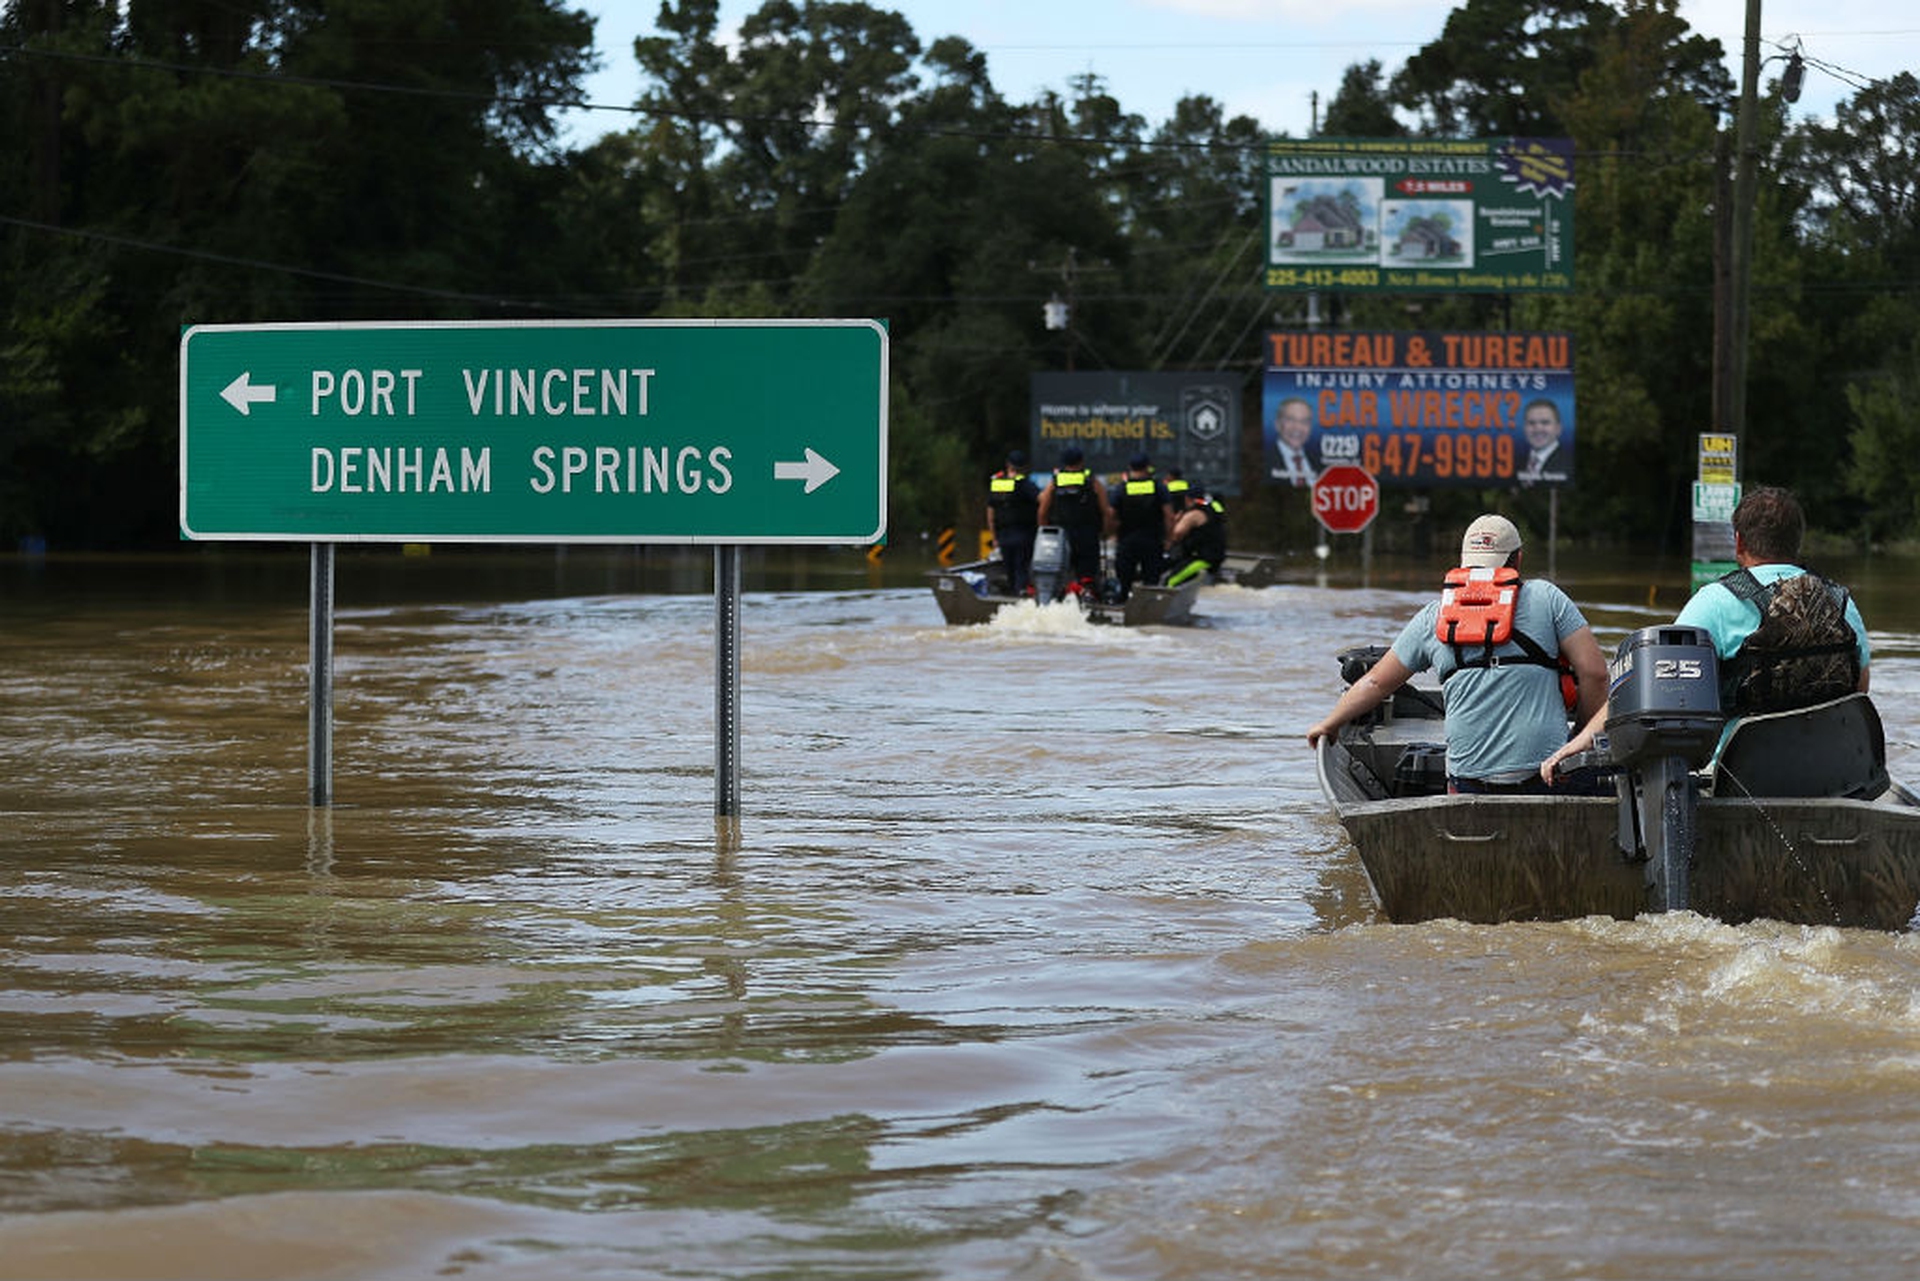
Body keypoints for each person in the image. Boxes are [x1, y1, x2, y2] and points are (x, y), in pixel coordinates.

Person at [1541, 485, 1870, 782]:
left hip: (1742, 778)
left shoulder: (1716, 603)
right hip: (1836, 774)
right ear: (1798, 542)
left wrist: (1579, 742)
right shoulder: (1841, 602)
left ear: (1738, 542)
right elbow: (1859, 691)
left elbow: (1652, 688)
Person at [1307, 514, 1609, 793]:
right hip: (1549, 776)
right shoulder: (1547, 598)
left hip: (1468, 783)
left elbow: (1375, 683)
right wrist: (1581, 739)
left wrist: (1330, 723)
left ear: (1464, 562)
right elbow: (1596, 675)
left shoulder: (1434, 615)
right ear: (1518, 559)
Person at [1036, 445, 1113, 592]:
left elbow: (1042, 511)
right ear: (1081, 461)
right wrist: (1105, 531)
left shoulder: (1055, 481)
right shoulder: (1091, 481)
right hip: (1087, 533)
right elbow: (1106, 510)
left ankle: (1065, 593)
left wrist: (1044, 533)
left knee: (1062, 573)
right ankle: (1088, 593)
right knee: (1088, 574)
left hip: (1061, 535)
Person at [1108, 452, 1173, 601]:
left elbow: (1110, 514)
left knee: (1124, 581)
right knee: (1151, 583)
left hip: (1127, 540)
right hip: (1152, 540)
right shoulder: (1158, 487)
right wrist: (1169, 539)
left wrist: (1112, 533)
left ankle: (1123, 605)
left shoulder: (1121, 488)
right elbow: (1169, 515)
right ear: (1147, 467)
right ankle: (1148, 608)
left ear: (1130, 467)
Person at [985, 449, 1040, 594]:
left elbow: (990, 514)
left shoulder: (997, 483)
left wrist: (994, 538)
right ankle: (1021, 595)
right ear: (1024, 467)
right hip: (1024, 535)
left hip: (1003, 536)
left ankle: (1012, 595)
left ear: (1008, 464)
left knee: (1010, 572)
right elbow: (1041, 500)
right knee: (1022, 570)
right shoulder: (1025, 484)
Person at [1164, 487, 1227, 587]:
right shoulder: (1209, 509)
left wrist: (1174, 522)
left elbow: (1177, 533)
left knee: (1170, 581)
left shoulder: (1194, 514)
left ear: (1188, 499)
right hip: (1214, 556)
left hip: (1203, 559)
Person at [1271, 397, 1319, 486]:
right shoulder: (1264, 460)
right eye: (1290, 420)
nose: (1297, 427)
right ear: (1277, 424)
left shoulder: (1320, 461)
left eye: (1304, 421)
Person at [1516, 399, 1566, 485]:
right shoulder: (1516, 462)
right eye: (1531, 423)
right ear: (1524, 428)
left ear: (1558, 428)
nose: (1538, 429)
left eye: (1545, 423)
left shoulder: (1568, 464)